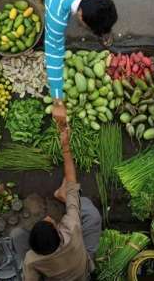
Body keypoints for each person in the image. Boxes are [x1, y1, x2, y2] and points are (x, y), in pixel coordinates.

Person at [11, 119, 102, 281]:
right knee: (91, 213)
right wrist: (66, 146)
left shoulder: (31, 260)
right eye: (50, 222)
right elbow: (72, 181)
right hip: (84, 271)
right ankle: (63, 196)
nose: (48, 217)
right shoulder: (72, 228)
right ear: (59, 232)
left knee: (16, 235)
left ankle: (63, 195)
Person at [29, 0, 118, 122]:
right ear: (80, 15)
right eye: (92, 28)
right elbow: (53, 52)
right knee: (43, 5)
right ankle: (46, 16)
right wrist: (57, 101)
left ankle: (102, 29)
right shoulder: (56, 12)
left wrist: (103, 26)